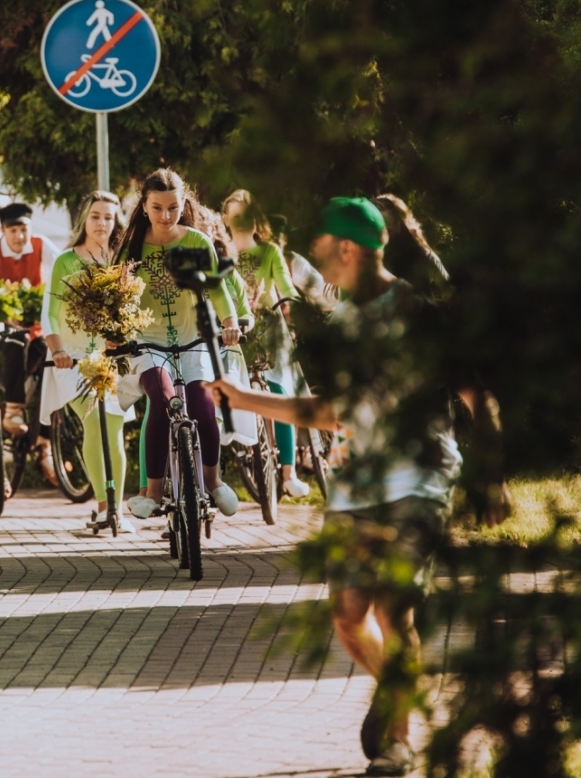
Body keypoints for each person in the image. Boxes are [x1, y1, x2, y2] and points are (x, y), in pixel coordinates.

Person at [208, 196, 511, 777]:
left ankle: (398, 742)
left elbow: (479, 397)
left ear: (347, 249)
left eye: (323, 247)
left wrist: (490, 478)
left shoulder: (418, 314)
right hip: (356, 484)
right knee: (349, 618)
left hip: (419, 478)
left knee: (396, 611)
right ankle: (397, 690)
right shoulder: (344, 322)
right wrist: (246, 399)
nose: (318, 258)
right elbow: (330, 411)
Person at [115, 169, 242, 521]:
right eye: (157, 208)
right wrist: (114, 331)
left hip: (195, 339)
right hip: (148, 344)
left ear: (183, 204)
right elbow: (117, 300)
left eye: (173, 207)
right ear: (144, 206)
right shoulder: (131, 248)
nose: (165, 216)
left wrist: (230, 324)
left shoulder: (198, 242)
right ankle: (153, 492)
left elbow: (217, 290)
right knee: (162, 397)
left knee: (202, 405)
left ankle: (213, 482)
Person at [41, 191, 137, 531]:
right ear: (85, 219)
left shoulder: (121, 261)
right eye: (96, 216)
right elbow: (49, 315)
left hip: (114, 360)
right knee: (95, 420)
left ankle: (117, 510)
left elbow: (132, 313)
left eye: (108, 217)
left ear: (116, 222)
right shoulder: (65, 261)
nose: (101, 223)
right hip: (75, 361)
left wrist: (122, 336)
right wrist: (58, 351)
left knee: (114, 428)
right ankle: (102, 505)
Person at [222, 190, 311, 498]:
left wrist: (293, 307)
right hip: (237, 331)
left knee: (278, 391)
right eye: (235, 217)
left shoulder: (270, 251)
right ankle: (247, 449)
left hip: (270, 329)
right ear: (225, 220)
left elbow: (286, 288)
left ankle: (288, 473)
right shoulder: (221, 255)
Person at [0, 202, 61, 485]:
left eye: (24, 229)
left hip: (38, 327)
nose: (20, 236)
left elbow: (64, 273)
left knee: (53, 361)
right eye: (13, 230)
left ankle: (44, 440)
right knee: (15, 341)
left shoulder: (42, 246)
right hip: (3, 328)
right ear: (3, 230)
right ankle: (13, 410)